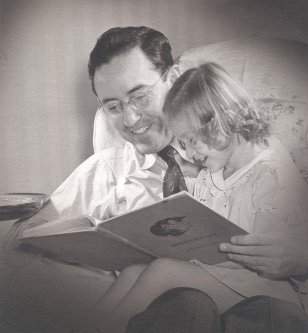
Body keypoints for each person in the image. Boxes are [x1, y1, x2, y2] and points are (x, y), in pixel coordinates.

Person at [8, 27, 308, 332]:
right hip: (162, 310)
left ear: (173, 77)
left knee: (165, 273)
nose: (130, 120)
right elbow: (27, 235)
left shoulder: (245, 154)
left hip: (250, 297)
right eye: (113, 107)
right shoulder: (108, 167)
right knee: (139, 270)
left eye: (138, 96)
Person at [87, 62, 308, 332]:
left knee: (165, 270)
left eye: (192, 140)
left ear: (221, 123)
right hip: (223, 277)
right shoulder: (210, 171)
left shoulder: (270, 173)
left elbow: (264, 261)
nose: (189, 153)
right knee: (135, 269)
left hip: (267, 289)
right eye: (182, 142)